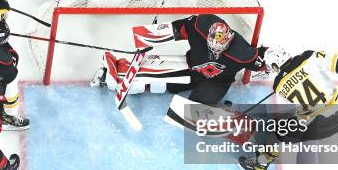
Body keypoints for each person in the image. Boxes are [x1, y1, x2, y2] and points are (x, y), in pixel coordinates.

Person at [237, 44, 338, 170]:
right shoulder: (309, 56)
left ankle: (260, 165)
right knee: (328, 110)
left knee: (281, 130)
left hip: (318, 129)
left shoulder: (278, 84)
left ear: (274, 66)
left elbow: (289, 114)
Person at [94, 14, 267, 105]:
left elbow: (265, 60)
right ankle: (110, 76)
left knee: (200, 104)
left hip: (216, 82)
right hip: (191, 67)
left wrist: (278, 64)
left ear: (229, 39)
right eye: (212, 46)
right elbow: (178, 28)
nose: (215, 51)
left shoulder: (243, 52)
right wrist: (148, 37)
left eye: (219, 48)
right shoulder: (201, 25)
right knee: (162, 83)